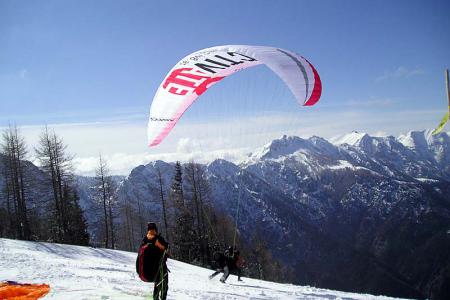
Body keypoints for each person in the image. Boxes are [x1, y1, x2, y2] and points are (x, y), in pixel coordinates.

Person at [140, 222, 169, 300]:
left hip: (149, 268)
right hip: (160, 266)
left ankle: (155, 298)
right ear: (155, 229)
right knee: (163, 284)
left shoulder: (144, 239)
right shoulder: (158, 239)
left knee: (157, 283)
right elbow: (166, 248)